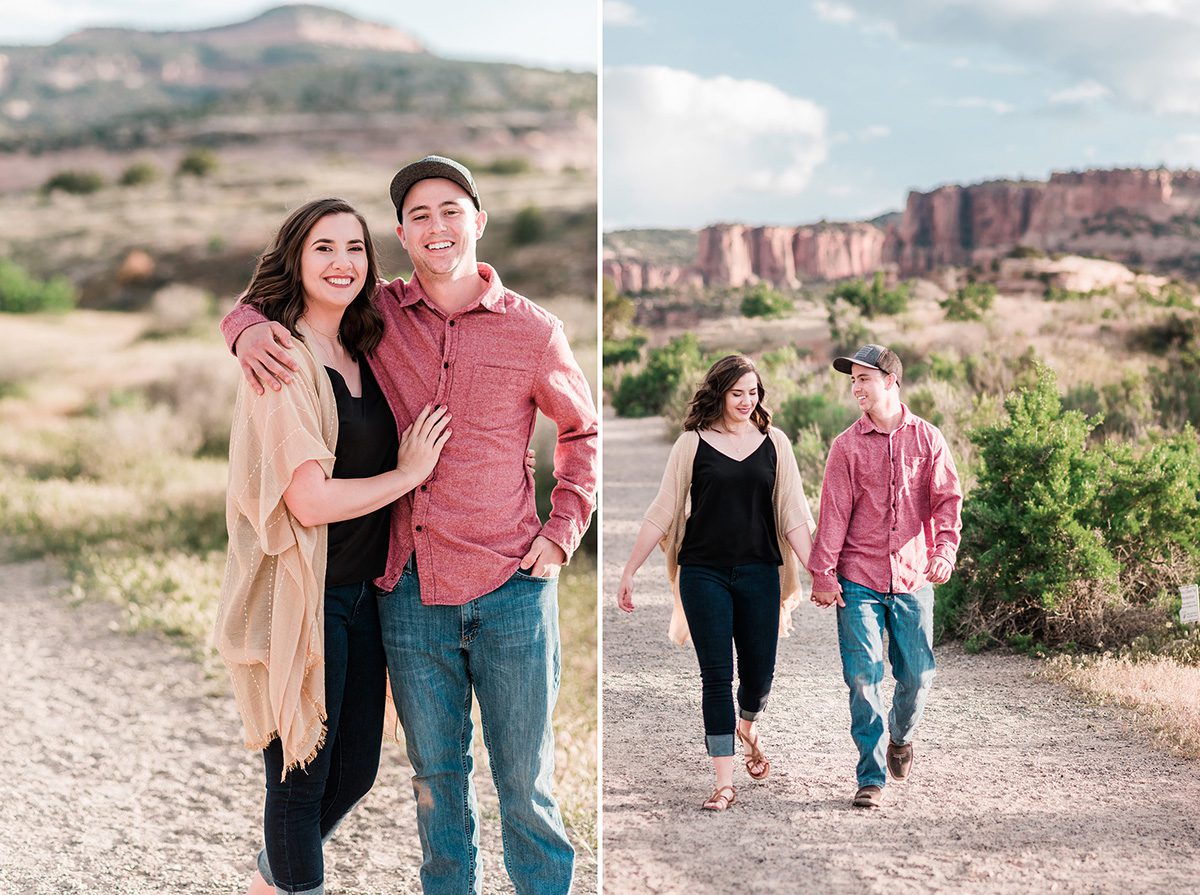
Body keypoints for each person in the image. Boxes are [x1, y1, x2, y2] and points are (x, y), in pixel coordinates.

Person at [221, 156, 598, 895]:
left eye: (451, 210)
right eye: (419, 215)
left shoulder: (534, 331)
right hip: (410, 593)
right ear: (401, 233)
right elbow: (287, 294)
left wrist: (561, 532)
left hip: (512, 588)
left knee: (526, 785)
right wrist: (240, 327)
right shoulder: (379, 314)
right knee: (436, 784)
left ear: (478, 222)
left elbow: (584, 433)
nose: (437, 226)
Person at [215, 198, 452, 895]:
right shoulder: (283, 358)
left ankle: (271, 882)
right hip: (303, 595)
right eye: (323, 248)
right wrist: (408, 474)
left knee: (355, 771)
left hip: (360, 592)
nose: (342, 262)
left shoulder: (367, 343)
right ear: (295, 258)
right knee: (299, 777)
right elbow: (310, 501)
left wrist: (237, 323)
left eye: (355, 247)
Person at [616, 354, 815, 811]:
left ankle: (748, 723)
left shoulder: (774, 443)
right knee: (716, 676)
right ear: (720, 393)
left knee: (759, 674)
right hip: (703, 572)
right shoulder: (691, 444)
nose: (747, 401)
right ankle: (724, 782)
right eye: (737, 393)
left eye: (753, 393)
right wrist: (630, 569)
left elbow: (794, 516)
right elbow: (663, 509)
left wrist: (819, 571)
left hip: (761, 571)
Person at [807, 343, 963, 810]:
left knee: (918, 676)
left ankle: (901, 734)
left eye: (863, 379)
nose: (856, 388)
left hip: (914, 576)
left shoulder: (929, 439)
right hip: (859, 579)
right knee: (862, 677)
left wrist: (944, 551)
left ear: (890, 381)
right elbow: (833, 515)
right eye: (852, 380)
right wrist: (823, 573)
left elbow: (947, 501)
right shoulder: (845, 446)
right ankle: (870, 777)